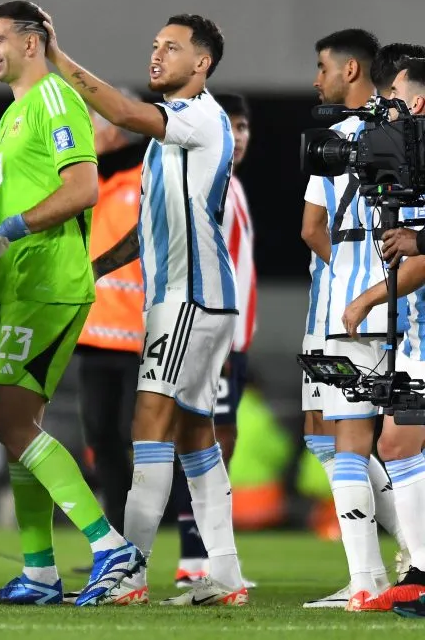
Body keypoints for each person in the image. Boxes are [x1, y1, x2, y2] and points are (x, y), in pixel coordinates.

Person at [41, 7, 246, 606]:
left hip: (188, 299)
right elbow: (154, 228)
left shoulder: (192, 117)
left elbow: (123, 112)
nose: (157, 54)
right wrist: (99, 266)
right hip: (200, 297)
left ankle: (127, 573)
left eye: (173, 48)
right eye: (156, 44)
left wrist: (56, 55)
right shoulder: (180, 130)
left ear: (201, 64)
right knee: (193, 436)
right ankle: (226, 574)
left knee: (146, 429)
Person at [0, 1, 141, 607]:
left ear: (32, 42)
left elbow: (82, 188)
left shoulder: (56, 100)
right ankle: (39, 574)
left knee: (11, 424)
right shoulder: (16, 114)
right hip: (20, 286)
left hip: (50, 283)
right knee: (17, 429)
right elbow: (2, 203)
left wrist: (10, 233)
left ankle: (113, 550)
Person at [300, 31, 410, 611]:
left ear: (350, 70)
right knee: (378, 440)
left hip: (348, 308)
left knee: (345, 441)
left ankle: (369, 577)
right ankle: (402, 566)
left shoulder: (338, 140)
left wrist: (350, 277)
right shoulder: (407, 135)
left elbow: (311, 229)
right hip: (395, 302)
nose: (316, 79)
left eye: (321, 67)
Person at [338, 57, 425, 611]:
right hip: (417, 334)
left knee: (397, 438)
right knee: (396, 439)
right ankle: (419, 571)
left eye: (394, 92)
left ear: (416, 102)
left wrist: (367, 298)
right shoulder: (409, 157)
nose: (386, 101)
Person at [173, 93, 257, 587]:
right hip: (217, 339)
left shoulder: (234, 186)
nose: (240, 136)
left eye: (245, 127)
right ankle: (195, 560)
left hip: (235, 342)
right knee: (203, 444)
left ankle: (204, 557)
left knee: (218, 444)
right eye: (233, 126)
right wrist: (215, 337)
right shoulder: (212, 185)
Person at [72, 100, 145, 537]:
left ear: (116, 132)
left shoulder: (143, 179)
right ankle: (116, 540)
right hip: (97, 337)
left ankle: (141, 543)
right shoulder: (94, 182)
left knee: (140, 446)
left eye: (93, 127)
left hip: (141, 339)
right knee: (103, 444)